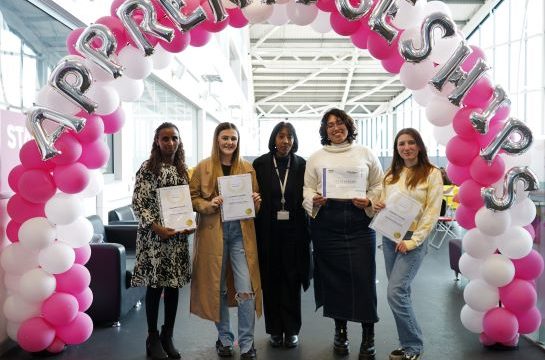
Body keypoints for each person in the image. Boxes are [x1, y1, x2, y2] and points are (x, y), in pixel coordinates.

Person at [303, 108, 384, 359]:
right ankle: (340, 332)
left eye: (339, 123)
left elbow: (379, 184)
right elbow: (306, 188)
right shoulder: (316, 157)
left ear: (348, 125)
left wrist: (369, 201)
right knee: (333, 281)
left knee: (363, 279)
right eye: (329, 125)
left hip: (359, 223)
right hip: (327, 224)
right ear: (324, 131)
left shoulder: (366, 153)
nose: (335, 128)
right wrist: (314, 199)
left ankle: (368, 334)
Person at [189, 122, 262, 360]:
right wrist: (208, 205)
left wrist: (255, 201)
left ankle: (247, 343)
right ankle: (224, 339)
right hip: (213, 233)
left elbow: (255, 207)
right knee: (217, 289)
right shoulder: (203, 167)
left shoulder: (247, 168)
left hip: (241, 234)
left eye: (233, 138)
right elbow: (193, 198)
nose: (229, 142)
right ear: (217, 140)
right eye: (225, 138)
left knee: (246, 290)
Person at [372, 128, 443, 360]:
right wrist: (377, 206)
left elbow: (432, 212)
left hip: (412, 239)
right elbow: (381, 202)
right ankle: (406, 344)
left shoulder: (431, 173)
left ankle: (413, 345)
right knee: (401, 292)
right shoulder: (391, 173)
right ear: (397, 149)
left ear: (419, 146)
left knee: (395, 292)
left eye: (411, 142)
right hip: (390, 235)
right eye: (401, 144)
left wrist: (413, 241)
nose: (406, 147)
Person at [131, 122, 193, 360]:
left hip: (176, 238)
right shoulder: (148, 167)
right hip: (154, 237)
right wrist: (157, 228)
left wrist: (188, 225)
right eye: (165, 139)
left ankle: (168, 335)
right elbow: (139, 203)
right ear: (157, 141)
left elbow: (185, 203)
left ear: (179, 141)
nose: (170, 143)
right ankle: (152, 336)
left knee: (173, 285)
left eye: (174, 138)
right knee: (155, 286)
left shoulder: (182, 169)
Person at [253, 122, 311, 349]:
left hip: (295, 232)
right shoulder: (260, 164)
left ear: (294, 140)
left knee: (292, 280)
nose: (285, 141)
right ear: (273, 139)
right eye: (281, 136)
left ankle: (292, 329)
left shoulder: (303, 165)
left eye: (290, 137)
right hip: (268, 231)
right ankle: (275, 330)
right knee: (271, 280)